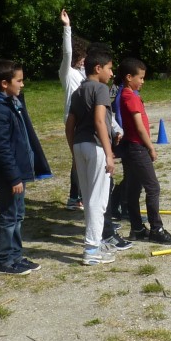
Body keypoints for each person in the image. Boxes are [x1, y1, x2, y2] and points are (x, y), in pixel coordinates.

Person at [0, 59, 52, 275]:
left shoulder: (12, 103)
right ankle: (4, 261)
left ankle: (16, 256)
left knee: (18, 215)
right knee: (9, 216)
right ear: (4, 83)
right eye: (19, 81)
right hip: (8, 174)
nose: (22, 85)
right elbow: (1, 147)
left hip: (18, 171)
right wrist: (13, 177)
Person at [66, 46, 121, 265]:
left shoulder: (78, 91)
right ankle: (91, 250)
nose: (111, 74)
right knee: (98, 201)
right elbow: (100, 121)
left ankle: (94, 245)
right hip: (96, 147)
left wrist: (74, 153)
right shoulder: (100, 89)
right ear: (97, 68)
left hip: (80, 146)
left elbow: (69, 126)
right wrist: (109, 154)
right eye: (109, 69)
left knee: (89, 200)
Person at [117, 58, 171, 245]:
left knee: (134, 189)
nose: (143, 81)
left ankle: (137, 228)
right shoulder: (130, 97)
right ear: (129, 77)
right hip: (137, 147)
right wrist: (150, 147)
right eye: (140, 78)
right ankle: (156, 229)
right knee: (153, 188)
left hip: (129, 147)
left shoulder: (123, 95)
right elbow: (139, 127)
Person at [59, 9, 90, 211]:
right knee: (78, 157)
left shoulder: (83, 73)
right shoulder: (67, 72)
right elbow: (67, 52)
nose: (84, 60)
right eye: (82, 57)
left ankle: (78, 195)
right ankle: (74, 197)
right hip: (73, 118)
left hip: (85, 117)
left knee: (82, 157)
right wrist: (67, 28)